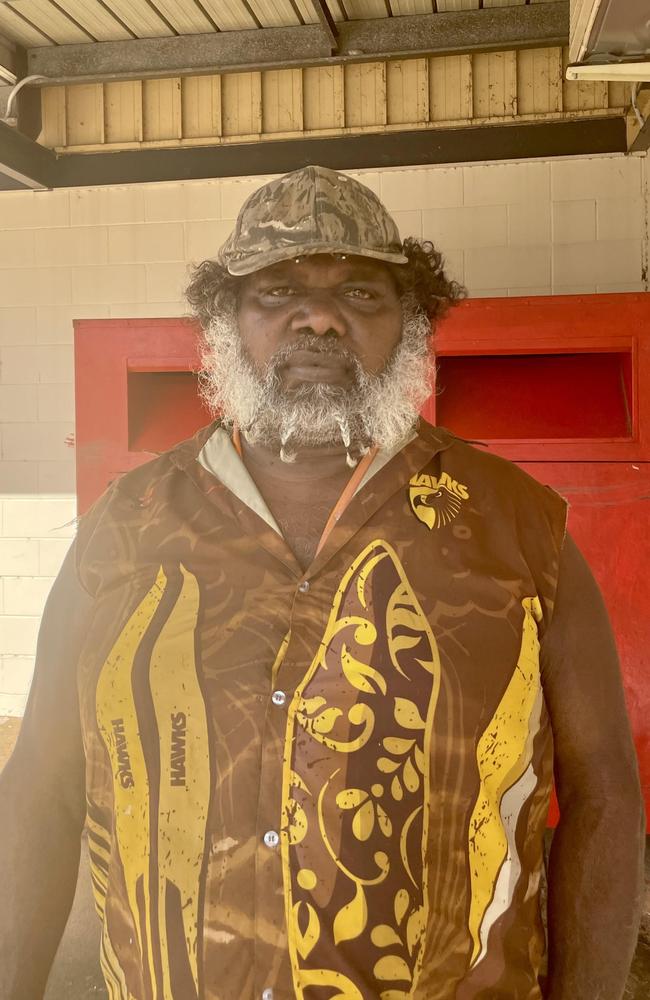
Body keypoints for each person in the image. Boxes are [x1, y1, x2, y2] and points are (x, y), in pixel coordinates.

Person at [0, 165, 644, 1000]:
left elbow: (604, 796)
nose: (319, 318)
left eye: (362, 293)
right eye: (276, 291)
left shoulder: (520, 530)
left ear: (409, 324)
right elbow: (43, 785)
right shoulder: (124, 530)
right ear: (227, 322)